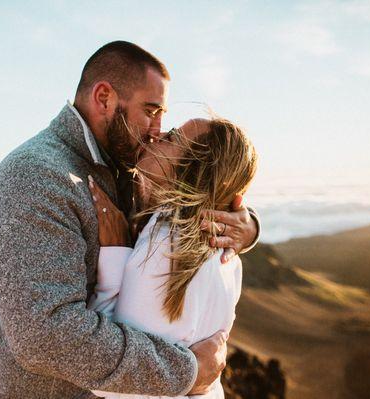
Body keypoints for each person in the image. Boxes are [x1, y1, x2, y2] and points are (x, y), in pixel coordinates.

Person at [0, 41, 260, 398]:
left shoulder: (125, 164)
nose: (158, 129)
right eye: (151, 110)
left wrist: (246, 225)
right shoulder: (34, 176)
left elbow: (200, 184)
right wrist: (185, 371)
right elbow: (45, 336)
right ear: (104, 98)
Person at [87, 118, 257, 399]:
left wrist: (115, 255)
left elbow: (109, 380)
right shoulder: (228, 255)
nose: (158, 135)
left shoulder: (166, 245)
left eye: (173, 136)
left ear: (192, 170)